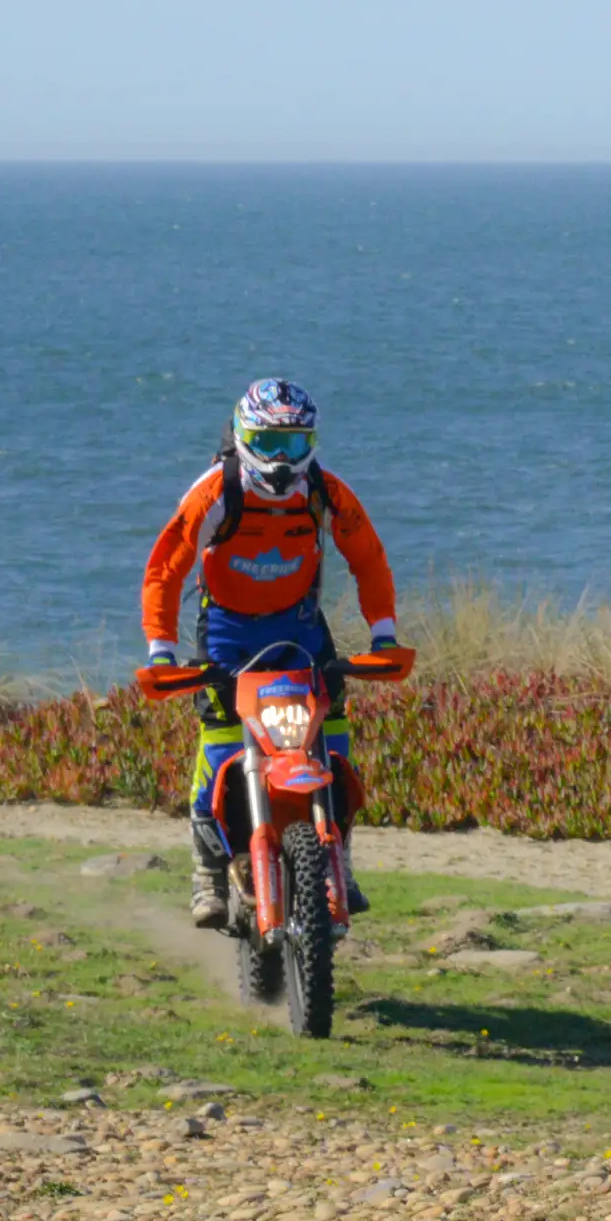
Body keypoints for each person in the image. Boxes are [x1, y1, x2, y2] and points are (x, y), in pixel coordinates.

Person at [137, 379, 402, 929]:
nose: (281, 460)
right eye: (268, 442)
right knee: (219, 734)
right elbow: (168, 565)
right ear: (240, 437)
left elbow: (369, 557)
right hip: (227, 631)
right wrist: (161, 650)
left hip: (299, 626)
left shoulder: (326, 492)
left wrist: (384, 637)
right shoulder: (216, 491)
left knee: (331, 732)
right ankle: (207, 872)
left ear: (313, 442)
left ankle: (341, 860)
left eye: (294, 443)